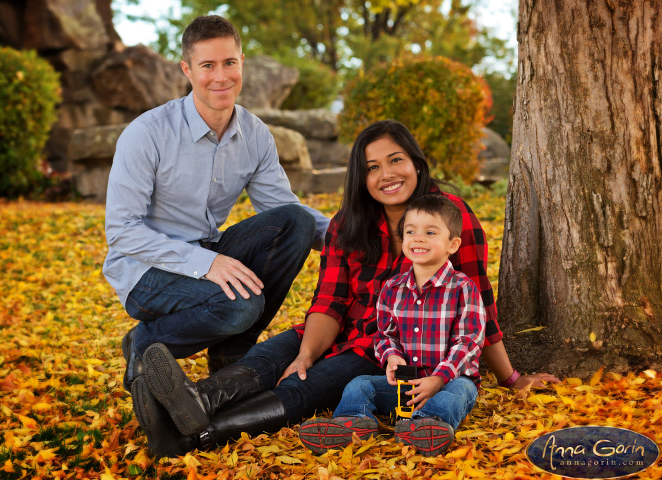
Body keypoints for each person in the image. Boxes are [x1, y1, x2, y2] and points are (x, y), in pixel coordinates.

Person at [131, 120, 559, 457]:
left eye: (396, 161)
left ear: (415, 162)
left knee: (302, 388)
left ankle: (194, 437)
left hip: (387, 352)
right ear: (361, 176)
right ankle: (192, 402)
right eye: (372, 167)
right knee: (274, 356)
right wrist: (305, 353)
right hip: (336, 331)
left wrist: (511, 377)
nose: (386, 175)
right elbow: (330, 301)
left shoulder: (449, 217)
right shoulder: (348, 224)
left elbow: (479, 302)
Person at [103, 14, 330, 395]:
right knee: (242, 305)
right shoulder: (147, 133)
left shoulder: (255, 134)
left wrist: (354, 235)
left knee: (296, 223)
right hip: (145, 269)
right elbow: (123, 231)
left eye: (229, 63)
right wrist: (206, 264)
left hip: (207, 251)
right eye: (208, 65)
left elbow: (283, 207)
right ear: (188, 70)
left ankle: (231, 351)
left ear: (242, 63)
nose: (221, 77)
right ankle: (144, 344)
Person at [299, 195, 485, 456]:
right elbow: (385, 334)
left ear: (452, 244)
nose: (418, 238)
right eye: (411, 232)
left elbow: (469, 342)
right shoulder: (392, 288)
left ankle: (427, 426)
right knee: (360, 383)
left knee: (462, 391)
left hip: (446, 381)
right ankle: (352, 423)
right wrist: (392, 356)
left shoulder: (463, 288)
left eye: (430, 232)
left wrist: (438, 378)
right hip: (404, 386)